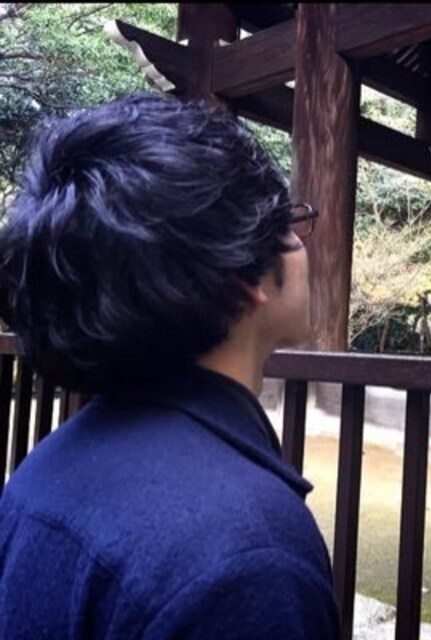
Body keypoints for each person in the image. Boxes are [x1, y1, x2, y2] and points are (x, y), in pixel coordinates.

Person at [0, 92, 338, 639]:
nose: (302, 244)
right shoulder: (247, 560)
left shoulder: (45, 469)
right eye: (288, 224)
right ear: (244, 279)